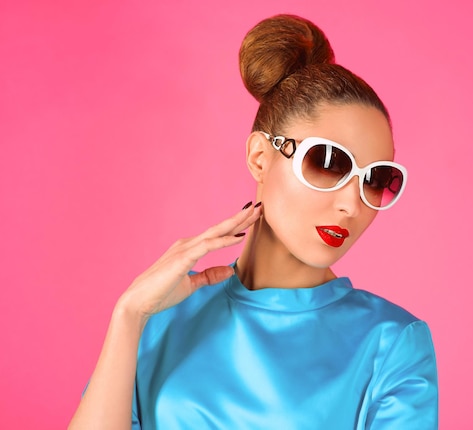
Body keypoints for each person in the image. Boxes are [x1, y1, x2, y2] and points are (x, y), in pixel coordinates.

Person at [69, 14, 438, 430]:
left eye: (376, 180)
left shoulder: (391, 343)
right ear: (261, 157)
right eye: (329, 162)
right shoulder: (160, 315)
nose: (352, 205)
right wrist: (129, 315)